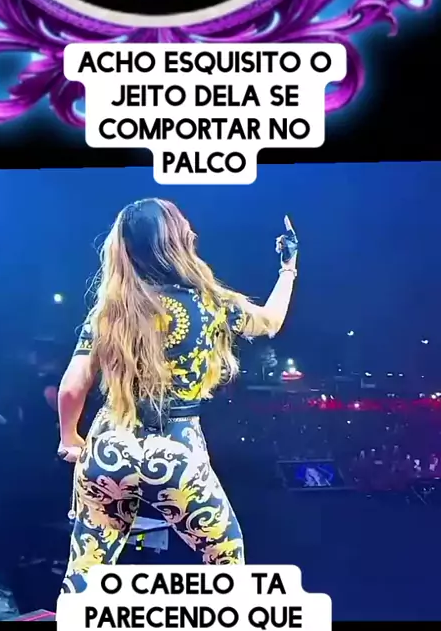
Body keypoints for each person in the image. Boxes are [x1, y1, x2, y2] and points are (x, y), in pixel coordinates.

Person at [57, 199, 298, 592]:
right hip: (176, 450)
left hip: (109, 446)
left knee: (85, 569)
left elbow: (71, 387)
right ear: (176, 242)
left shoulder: (110, 311)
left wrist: (70, 438)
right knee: (226, 560)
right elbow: (270, 321)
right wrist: (288, 267)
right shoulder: (211, 303)